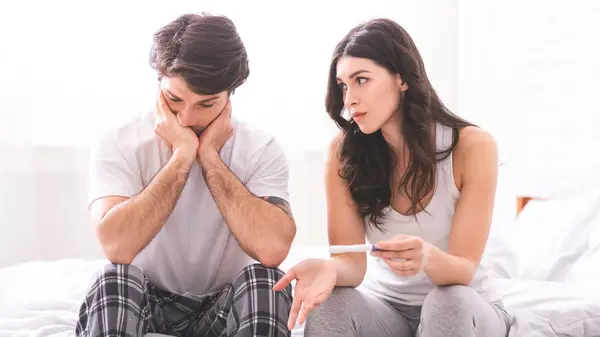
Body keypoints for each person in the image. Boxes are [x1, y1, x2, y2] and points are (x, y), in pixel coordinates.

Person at [273, 18, 511, 337]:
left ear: (401, 78)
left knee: (446, 301)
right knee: (333, 302)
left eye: (361, 80)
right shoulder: (344, 154)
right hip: (390, 310)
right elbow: (351, 264)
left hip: (467, 305)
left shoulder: (472, 146)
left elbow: (463, 271)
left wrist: (426, 257)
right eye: (343, 85)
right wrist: (330, 268)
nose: (349, 100)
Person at [76, 13, 295, 337]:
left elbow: (273, 250)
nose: (187, 117)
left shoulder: (261, 148)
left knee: (266, 283)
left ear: (230, 94)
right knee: (113, 280)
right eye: (175, 100)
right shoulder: (118, 142)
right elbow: (117, 247)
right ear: (159, 82)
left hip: (224, 303)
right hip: (145, 299)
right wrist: (182, 156)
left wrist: (209, 158)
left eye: (206, 105)